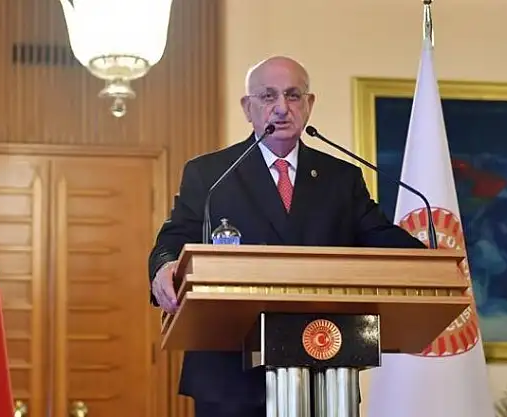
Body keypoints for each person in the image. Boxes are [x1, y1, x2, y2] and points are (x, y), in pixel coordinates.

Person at [148, 56, 425, 417]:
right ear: (247, 107)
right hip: (229, 374)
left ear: (309, 105)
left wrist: (430, 261)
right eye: (268, 96)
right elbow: (176, 236)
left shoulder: (341, 178)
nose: (281, 108)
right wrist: (164, 265)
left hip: (321, 370)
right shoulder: (210, 174)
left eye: (293, 95)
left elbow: (379, 236)